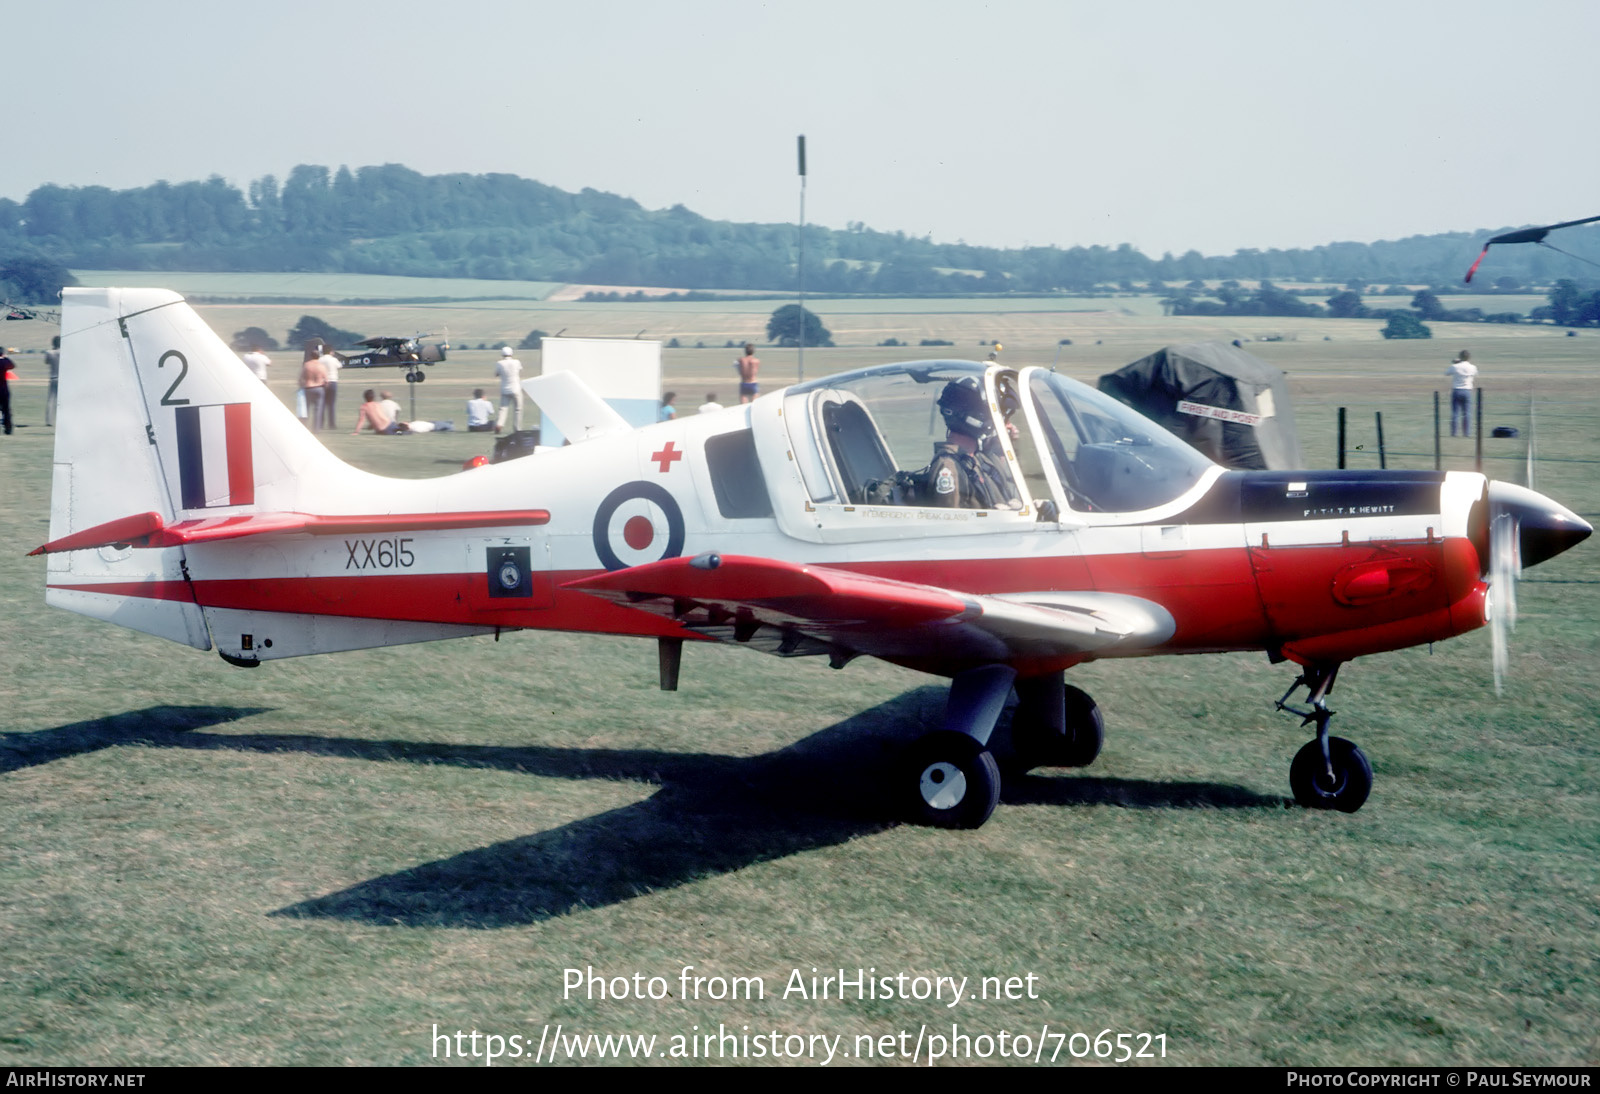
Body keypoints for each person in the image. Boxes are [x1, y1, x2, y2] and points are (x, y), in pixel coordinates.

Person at [925, 377, 1009, 509]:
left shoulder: (977, 459)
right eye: (988, 414)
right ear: (975, 417)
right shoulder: (949, 468)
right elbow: (951, 523)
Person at [1447, 350, 1478, 437]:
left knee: (1455, 413)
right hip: (1467, 390)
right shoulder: (1473, 367)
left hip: (1457, 390)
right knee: (1467, 413)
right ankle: (1466, 433)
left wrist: (1456, 363)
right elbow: (1476, 373)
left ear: (1460, 357)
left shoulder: (1455, 366)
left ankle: (1454, 433)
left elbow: (1447, 373)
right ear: (1469, 357)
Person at [298, 349, 328, 433]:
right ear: (319, 357)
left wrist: (301, 386)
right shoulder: (322, 366)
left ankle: (304, 428)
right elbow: (326, 380)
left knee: (305, 410)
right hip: (319, 388)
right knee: (318, 410)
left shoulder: (307, 365)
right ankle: (316, 430)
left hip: (308, 388)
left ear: (311, 356)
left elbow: (301, 378)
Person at [495, 346, 524, 431]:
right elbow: (519, 370)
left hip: (504, 389)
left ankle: (499, 424)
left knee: (503, 408)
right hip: (516, 388)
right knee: (518, 409)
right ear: (511, 354)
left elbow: (497, 374)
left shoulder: (499, 363)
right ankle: (517, 428)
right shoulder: (516, 362)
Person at [318, 345, 342, 430]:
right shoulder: (333, 359)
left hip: (323, 382)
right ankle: (331, 424)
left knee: (322, 404)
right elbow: (340, 366)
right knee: (331, 404)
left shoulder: (320, 359)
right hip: (333, 381)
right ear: (330, 351)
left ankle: (320, 424)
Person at [45, 336, 61, 426]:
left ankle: (49, 421)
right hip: (62, 378)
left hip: (53, 377)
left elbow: (46, 362)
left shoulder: (49, 352)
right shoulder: (63, 352)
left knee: (51, 400)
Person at [0, 346, 13, 435]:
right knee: (6, 410)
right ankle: (8, 428)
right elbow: (12, 365)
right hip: (3, 388)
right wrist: (5, 357)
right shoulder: (4, 362)